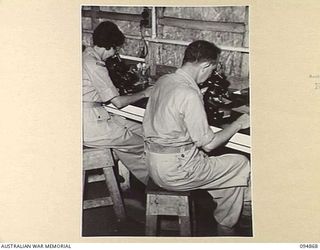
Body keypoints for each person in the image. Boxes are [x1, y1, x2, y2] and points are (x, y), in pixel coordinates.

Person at [142, 40, 251, 235]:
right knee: (241, 163)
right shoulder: (189, 93)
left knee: (231, 180)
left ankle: (228, 223)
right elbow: (209, 145)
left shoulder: (164, 80)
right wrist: (239, 124)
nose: (211, 75)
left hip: (152, 164)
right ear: (205, 66)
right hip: (176, 171)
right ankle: (232, 224)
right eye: (212, 69)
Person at [82, 21, 153, 185]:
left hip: (92, 116)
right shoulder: (95, 64)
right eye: (116, 49)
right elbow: (119, 102)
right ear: (109, 46)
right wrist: (145, 93)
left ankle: (149, 181)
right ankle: (157, 183)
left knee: (144, 130)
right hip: (90, 124)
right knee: (142, 144)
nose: (115, 54)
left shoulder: (86, 55)